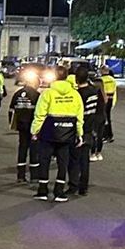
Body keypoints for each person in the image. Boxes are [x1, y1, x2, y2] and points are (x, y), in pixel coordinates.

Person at [30, 66, 83, 202]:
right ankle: (59, 191)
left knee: (44, 161)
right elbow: (79, 116)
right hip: (67, 132)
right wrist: (79, 134)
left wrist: (35, 131)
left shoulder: (48, 93)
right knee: (63, 162)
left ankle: (43, 190)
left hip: (49, 131)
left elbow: (40, 114)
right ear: (67, 76)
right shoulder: (75, 94)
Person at [68, 64, 106, 196]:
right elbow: (101, 109)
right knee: (85, 159)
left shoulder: (76, 95)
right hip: (91, 128)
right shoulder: (96, 91)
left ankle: (73, 185)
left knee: (74, 159)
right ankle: (83, 187)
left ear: (76, 80)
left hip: (79, 129)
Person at [7, 71, 40, 183]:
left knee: (22, 149)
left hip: (21, 126)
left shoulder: (17, 94)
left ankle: (20, 175)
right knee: (34, 151)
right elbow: (40, 113)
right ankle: (34, 176)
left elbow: (11, 110)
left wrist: (12, 124)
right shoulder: (37, 95)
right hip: (33, 126)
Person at [100, 65, 117, 142]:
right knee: (108, 118)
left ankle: (105, 135)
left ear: (103, 71)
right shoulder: (113, 79)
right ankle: (110, 135)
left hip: (103, 100)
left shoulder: (101, 80)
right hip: (110, 99)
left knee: (103, 118)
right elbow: (114, 90)